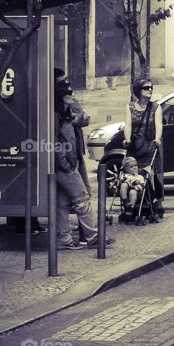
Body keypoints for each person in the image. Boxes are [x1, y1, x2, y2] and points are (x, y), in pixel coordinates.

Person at [53, 70, 111, 250]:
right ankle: (93, 236)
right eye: (64, 87)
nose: (70, 90)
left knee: (62, 202)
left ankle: (64, 239)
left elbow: (84, 118)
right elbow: (54, 141)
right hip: (64, 164)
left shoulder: (64, 109)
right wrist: (65, 163)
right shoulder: (55, 114)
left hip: (69, 161)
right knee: (82, 197)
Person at [126, 78, 164, 209]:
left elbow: (159, 125)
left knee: (154, 174)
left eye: (151, 87)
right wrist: (127, 139)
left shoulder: (156, 107)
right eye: (146, 88)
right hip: (135, 146)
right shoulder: (130, 107)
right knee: (133, 173)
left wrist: (157, 139)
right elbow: (128, 125)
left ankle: (157, 202)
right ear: (138, 90)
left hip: (150, 145)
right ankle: (134, 202)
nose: (150, 90)